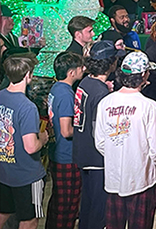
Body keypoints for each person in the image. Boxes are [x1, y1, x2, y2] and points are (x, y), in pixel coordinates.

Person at [94, 51, 156, 229]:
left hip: (113, 179)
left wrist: (116, 154)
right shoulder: (150, 106)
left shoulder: (105, 102)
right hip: (142, 180)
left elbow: (100, 142)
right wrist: (150, 166)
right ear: (143, 76)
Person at [72, 40, 119, 229]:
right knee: (99, 210)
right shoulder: (101, 93)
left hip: (82, 151)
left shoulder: (86, 82)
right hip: (96, 157)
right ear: (110, 63)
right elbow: (100, 130)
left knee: (88, 204)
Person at [0, 53, 48, 229]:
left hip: (4, 170)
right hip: (27, 175)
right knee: (30, 219)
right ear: (28, 74)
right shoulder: (27, 107)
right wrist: (42, 139)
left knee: (4, 212)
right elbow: (30, 146)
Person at [45, 52, 85, 229]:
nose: (82, 69)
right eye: (79, 68)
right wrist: (85, 131)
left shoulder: (56, 88)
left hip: (56, 152)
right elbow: (66, 130)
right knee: (67, 205)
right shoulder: (67, 95)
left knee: (58, 201)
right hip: (67, 156)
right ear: (71, 73)